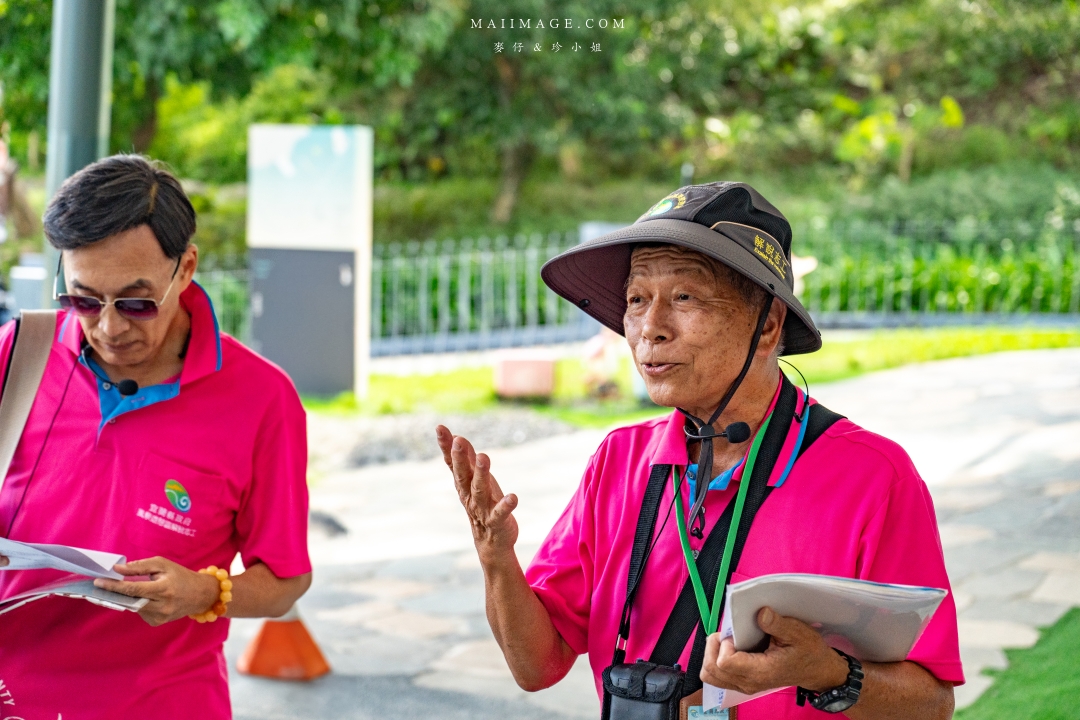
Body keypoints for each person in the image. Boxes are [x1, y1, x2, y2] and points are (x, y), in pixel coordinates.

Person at [437, 182, 962, 719]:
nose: (650, 329)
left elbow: (931, 706)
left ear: (769, 325)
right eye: (637, 300)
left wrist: (827, 673)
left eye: (685, 298)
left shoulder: (872, 476)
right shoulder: (618, 462)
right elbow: (535, 666)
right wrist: (496, 557)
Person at [0, 155, 312, 719]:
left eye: (137, 302)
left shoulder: (262, 400)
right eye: (83, 300)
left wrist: (206, 593)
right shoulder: (17, 357)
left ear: (186, 267)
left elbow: (285, 581)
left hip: (161, 703)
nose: (110, 326)